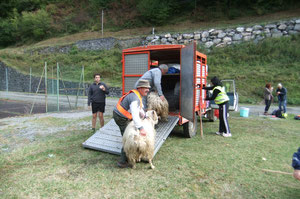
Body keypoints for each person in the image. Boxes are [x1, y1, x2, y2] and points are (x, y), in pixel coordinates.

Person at [113, 79, 151, 168]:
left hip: (119, 115)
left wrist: (145, 115)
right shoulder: (135, 98)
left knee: (129, 136)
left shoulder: (137, 95)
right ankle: (122, 162)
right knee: (128, 138)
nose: (148, 90)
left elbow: (139, 108)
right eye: (146, 88)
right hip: (120, 117)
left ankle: (136, 155)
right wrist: (141, 128)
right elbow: (134, 114)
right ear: (140, 88)